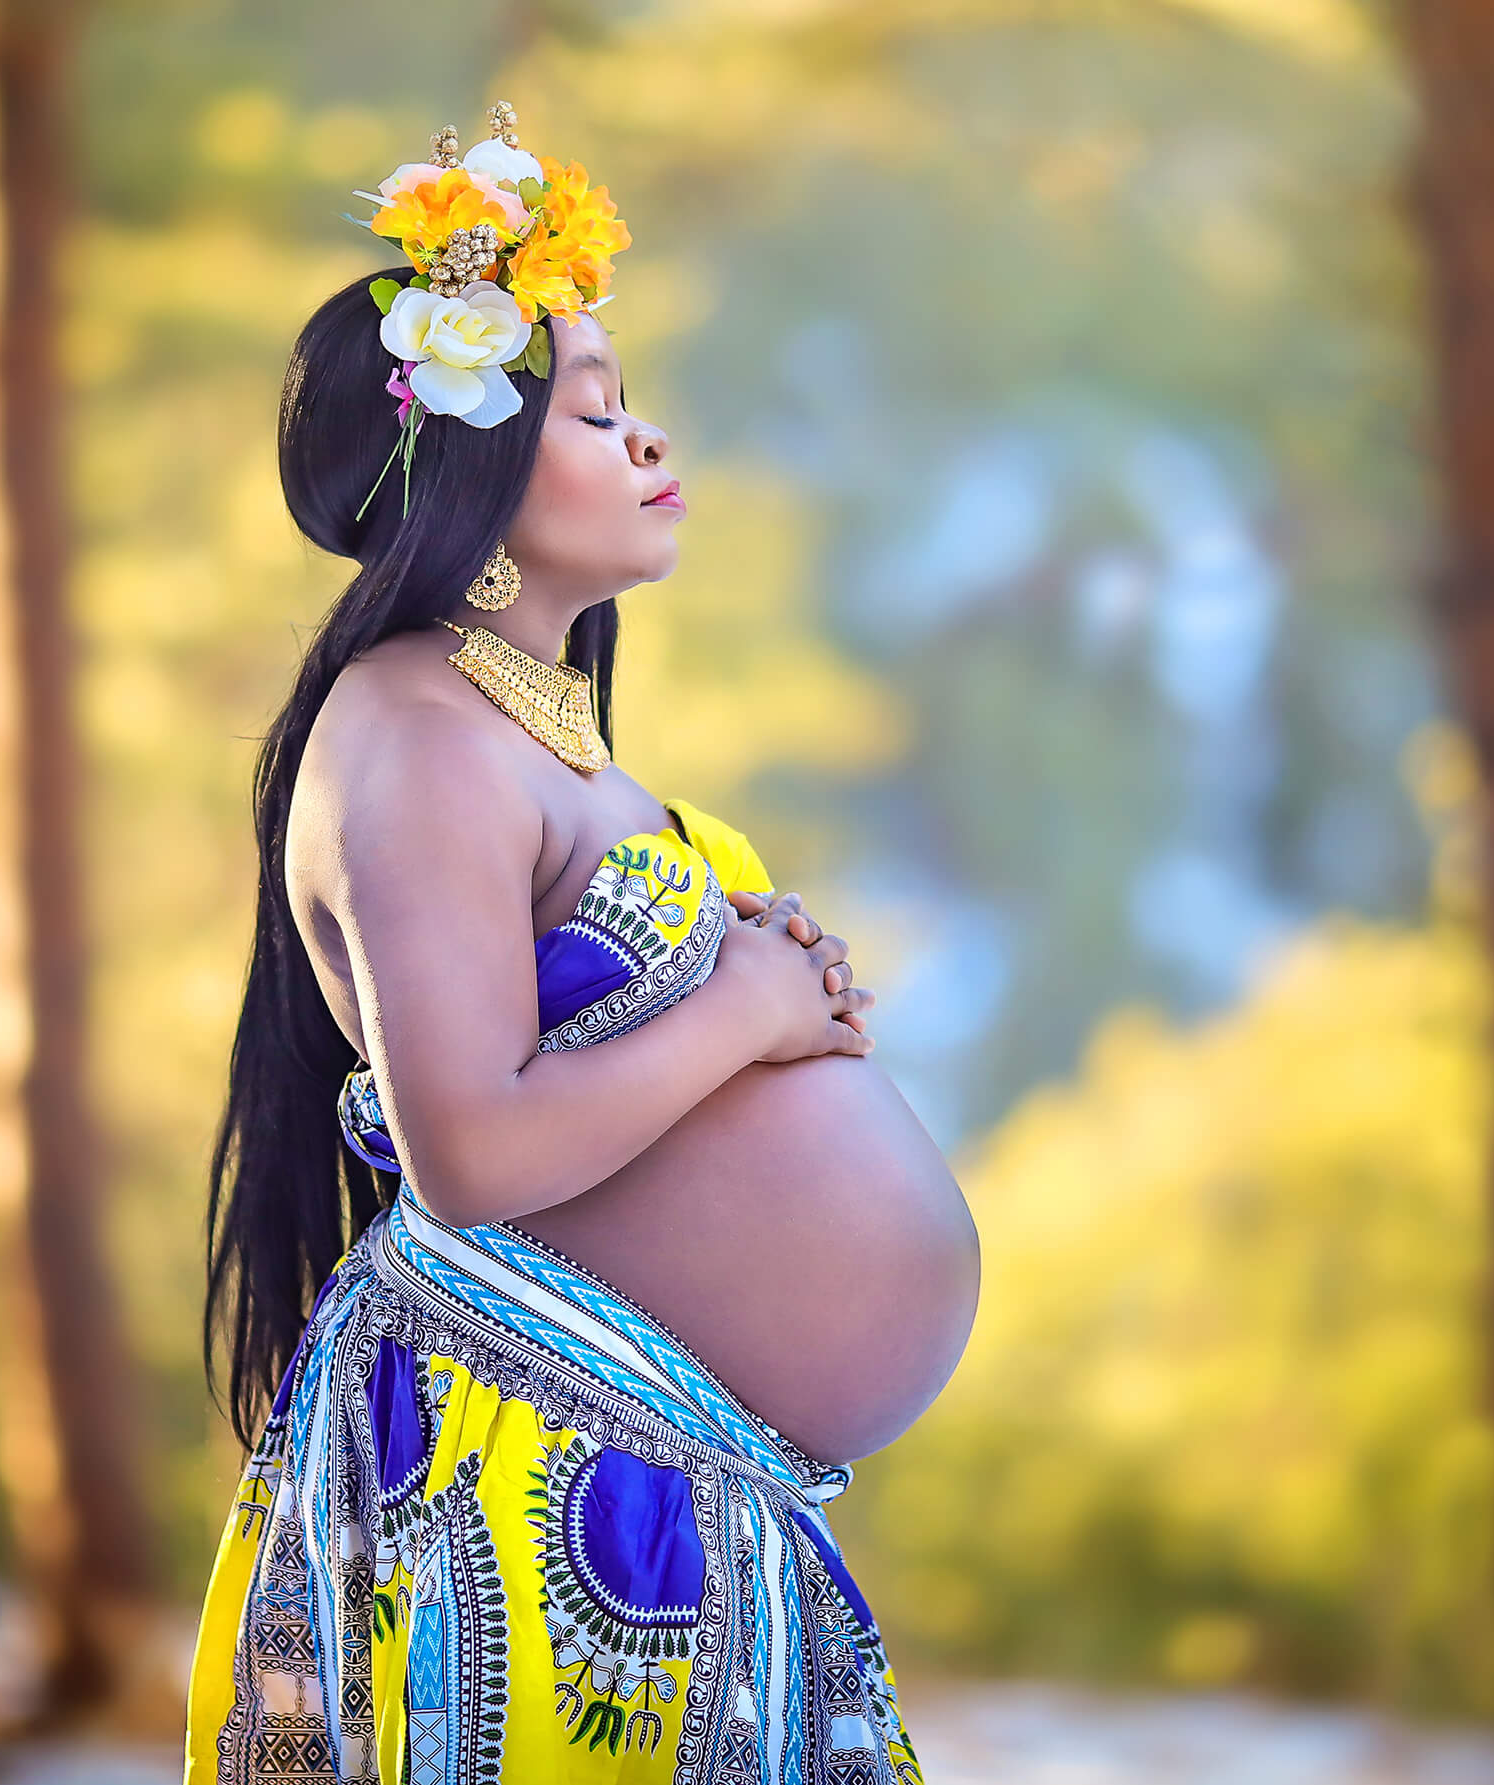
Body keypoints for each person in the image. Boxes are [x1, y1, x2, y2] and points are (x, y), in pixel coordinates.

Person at [183, 103, 979, 1785]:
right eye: (597, 407)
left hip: (658, 1462)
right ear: (466, 459)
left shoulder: (526, 727)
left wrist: (761, 981)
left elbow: (596, 1038)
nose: (647, 434)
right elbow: (471, 1149)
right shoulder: (409, 731)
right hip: (533, 1467)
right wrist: (745, 1010)